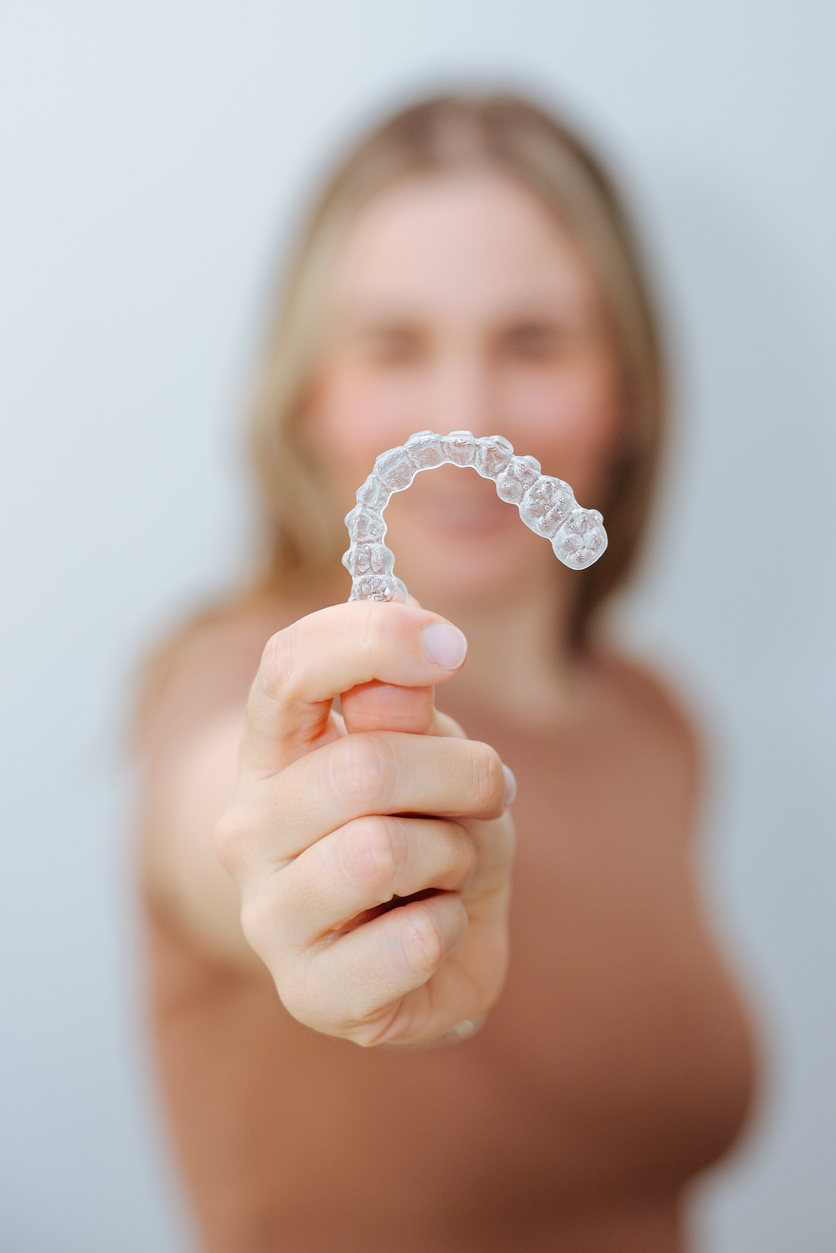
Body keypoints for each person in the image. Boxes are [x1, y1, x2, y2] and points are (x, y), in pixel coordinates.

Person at [137, 93, 757, 1253]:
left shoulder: (658, 722)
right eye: (393, 345)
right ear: (308, 396)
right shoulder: (254, 680)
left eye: (533, 342)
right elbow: (219, 809)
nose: (466, 417)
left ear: (626, 388)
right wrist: (305, 868)